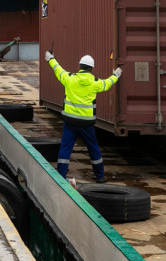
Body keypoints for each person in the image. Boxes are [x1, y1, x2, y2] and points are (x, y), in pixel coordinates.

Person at [44, 51, 121, 184]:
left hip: (70, 122)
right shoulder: (95, 83)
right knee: (93, 147)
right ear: (91, 68)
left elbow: (58, 69)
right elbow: (108, 83)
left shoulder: (69, 79)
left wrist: (50, 59)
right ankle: (100, 176)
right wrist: (116, 75)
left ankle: (61, 175)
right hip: (87, 124)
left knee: (65, 147)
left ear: (80, 66)